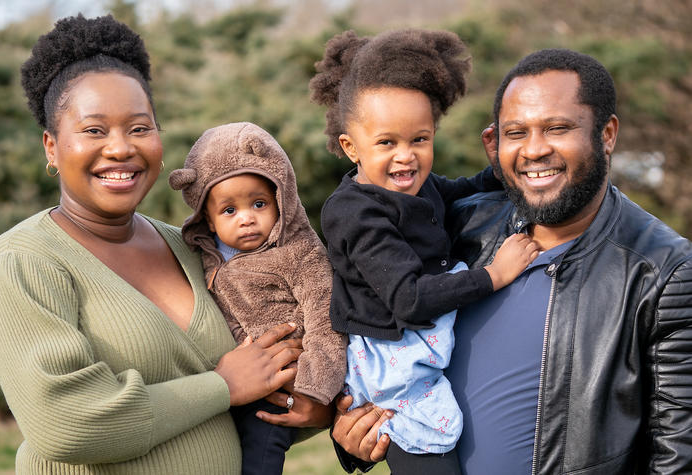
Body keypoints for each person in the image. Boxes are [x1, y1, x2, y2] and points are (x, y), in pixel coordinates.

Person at [0, 15, 329, 474]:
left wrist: (320, 411)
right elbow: (67, 423)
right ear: (51, 147)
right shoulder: (24, 261)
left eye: (139, 128)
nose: (121, 148)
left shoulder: (191, 247)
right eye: (94, 130)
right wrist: (221, 384)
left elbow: (253, 389)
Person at [331, 47, 692, 474]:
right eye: (516, 133)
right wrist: (355, 433)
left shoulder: (662, 270)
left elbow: (677, 455)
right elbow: (375, 321)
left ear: (607, 134)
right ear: (494, 143)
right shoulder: (463, 225)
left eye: (557, 128)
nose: (535, 150)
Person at [309, 29, 540, 474]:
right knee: (430, 453)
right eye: (386, 143)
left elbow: (458, 192)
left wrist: (496, 171)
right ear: (350, 147)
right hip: (393, 362)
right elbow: (409, 300)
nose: (406, 157)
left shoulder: (418, 185)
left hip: (421, 342)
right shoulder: (354, 212)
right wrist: (496, 274)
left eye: (419, 139)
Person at [168, 121, 347, 474]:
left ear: (282, 200)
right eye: (229, 211)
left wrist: (312, 386)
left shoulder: (298, 252)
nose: (246, 219)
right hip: (236, 378)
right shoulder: (204, 255)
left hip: (288, 376)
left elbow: (325, 316)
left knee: (260, 447)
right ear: (208, 215)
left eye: (259, 204)